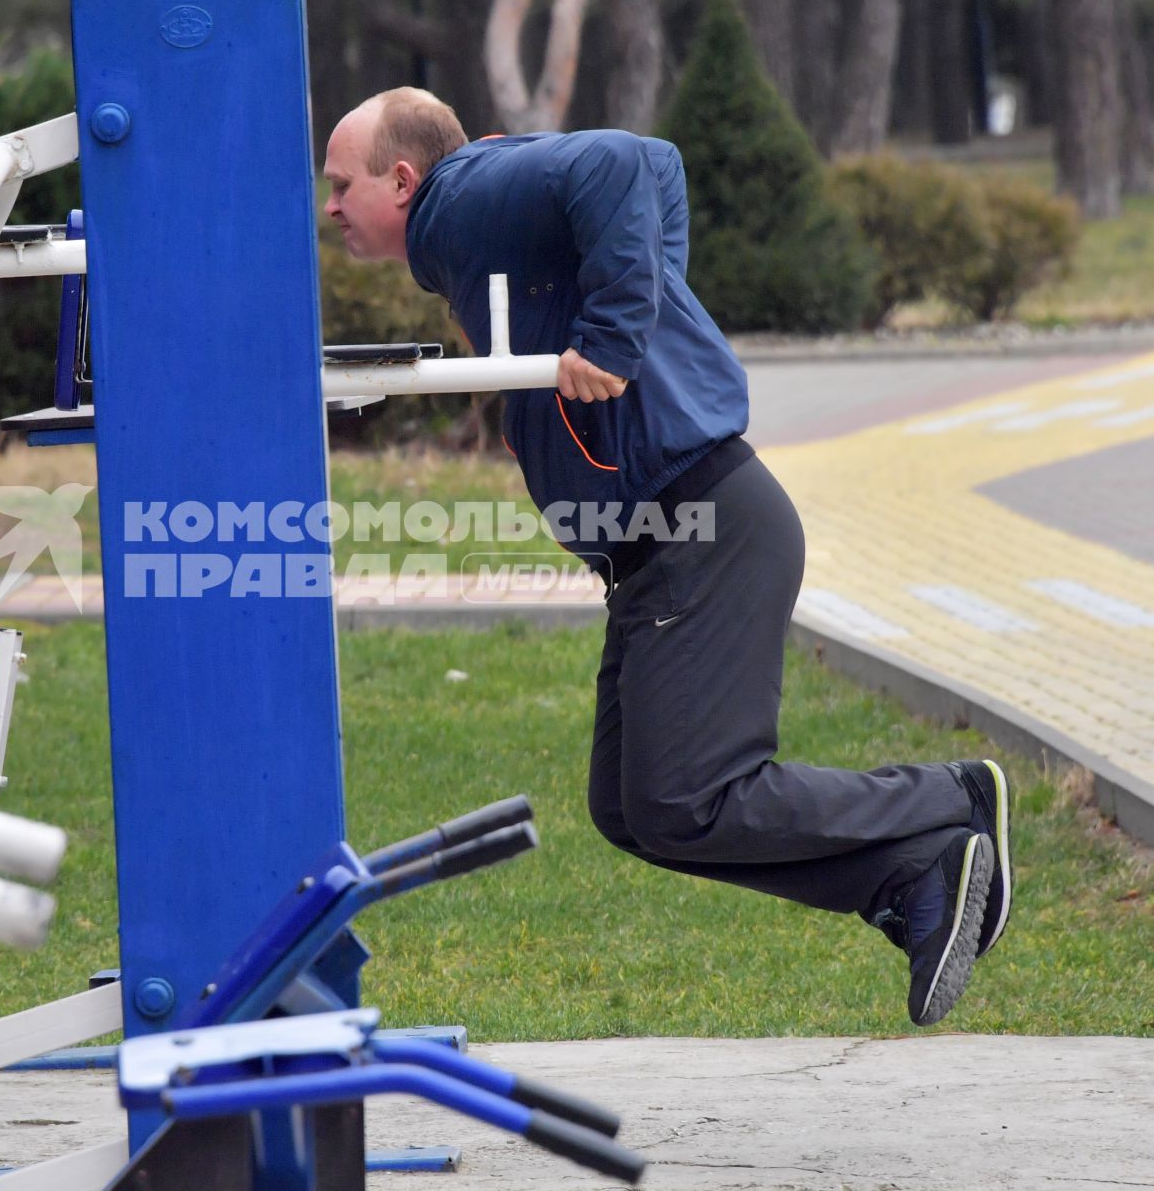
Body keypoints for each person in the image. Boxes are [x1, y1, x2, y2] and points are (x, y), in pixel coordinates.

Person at [322, 87, 1013, 1027]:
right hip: (674, 538)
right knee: (633, 807)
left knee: (682, 796)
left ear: (400, 180)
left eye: (340, 186)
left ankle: (946, 798)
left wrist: (617, 334)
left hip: (701, 523)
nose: (328, 209)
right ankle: (908, 878)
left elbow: (616, 159)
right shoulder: (473, 216)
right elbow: (660, 161)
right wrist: (652, 301)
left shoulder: (456, 197)